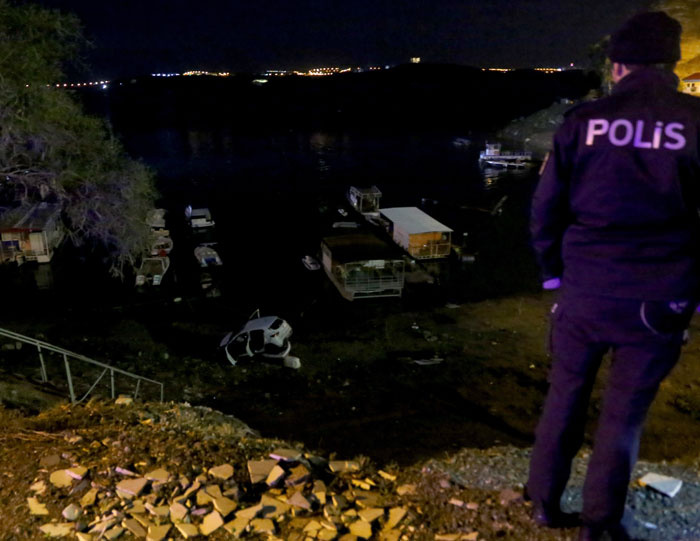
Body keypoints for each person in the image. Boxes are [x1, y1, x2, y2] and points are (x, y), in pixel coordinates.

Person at [526, 11, 700, 541]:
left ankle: (544, 504)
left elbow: (546, 209)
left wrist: (552, 276)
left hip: (583, 290)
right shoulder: (695, 121)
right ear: (671, 63)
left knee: (564, 398)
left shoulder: (583, 121)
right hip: (658, 295)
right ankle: (599, 525)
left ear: (617, 64)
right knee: (623, 416)